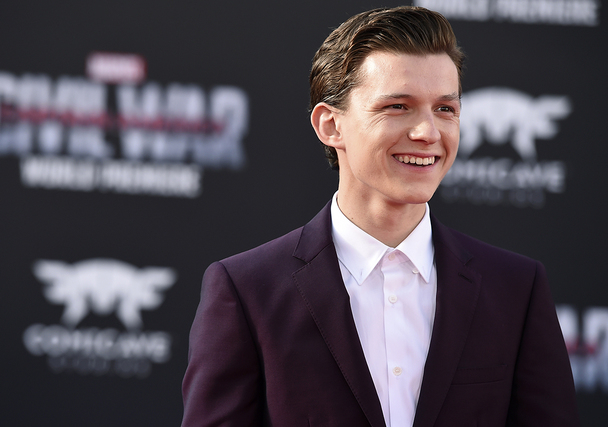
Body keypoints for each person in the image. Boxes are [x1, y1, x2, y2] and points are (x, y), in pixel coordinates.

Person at [181, 6, 579, 426]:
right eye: (398, 106)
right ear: (330, 126)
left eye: (445, 109)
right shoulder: (248, 292)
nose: (428, 133)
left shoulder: (515, 290)